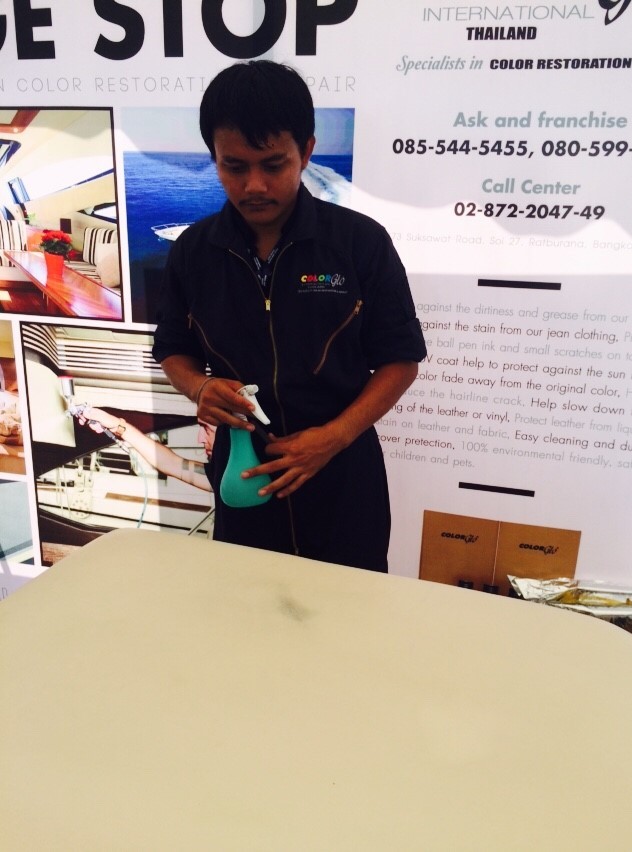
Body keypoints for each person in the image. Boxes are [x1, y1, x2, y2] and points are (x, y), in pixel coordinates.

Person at [152, 60, 427, 572]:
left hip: (344, 479)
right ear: (214, 158)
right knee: (247, 607)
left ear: (307, 151)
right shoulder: (193, 250)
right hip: (242, 474)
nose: (254, 185)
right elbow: (171, 348)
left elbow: (401, 360)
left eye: (273, 164)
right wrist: (198, 387)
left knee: (351, 612)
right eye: (235, 167)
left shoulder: (360, 243)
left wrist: (333, 439)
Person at [76, 406, 214, 492]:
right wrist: (117, 426)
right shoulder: (218, 477)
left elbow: (171, 464)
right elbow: (170, 463)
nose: (200, 439)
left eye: (207, 429)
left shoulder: (223, 479)